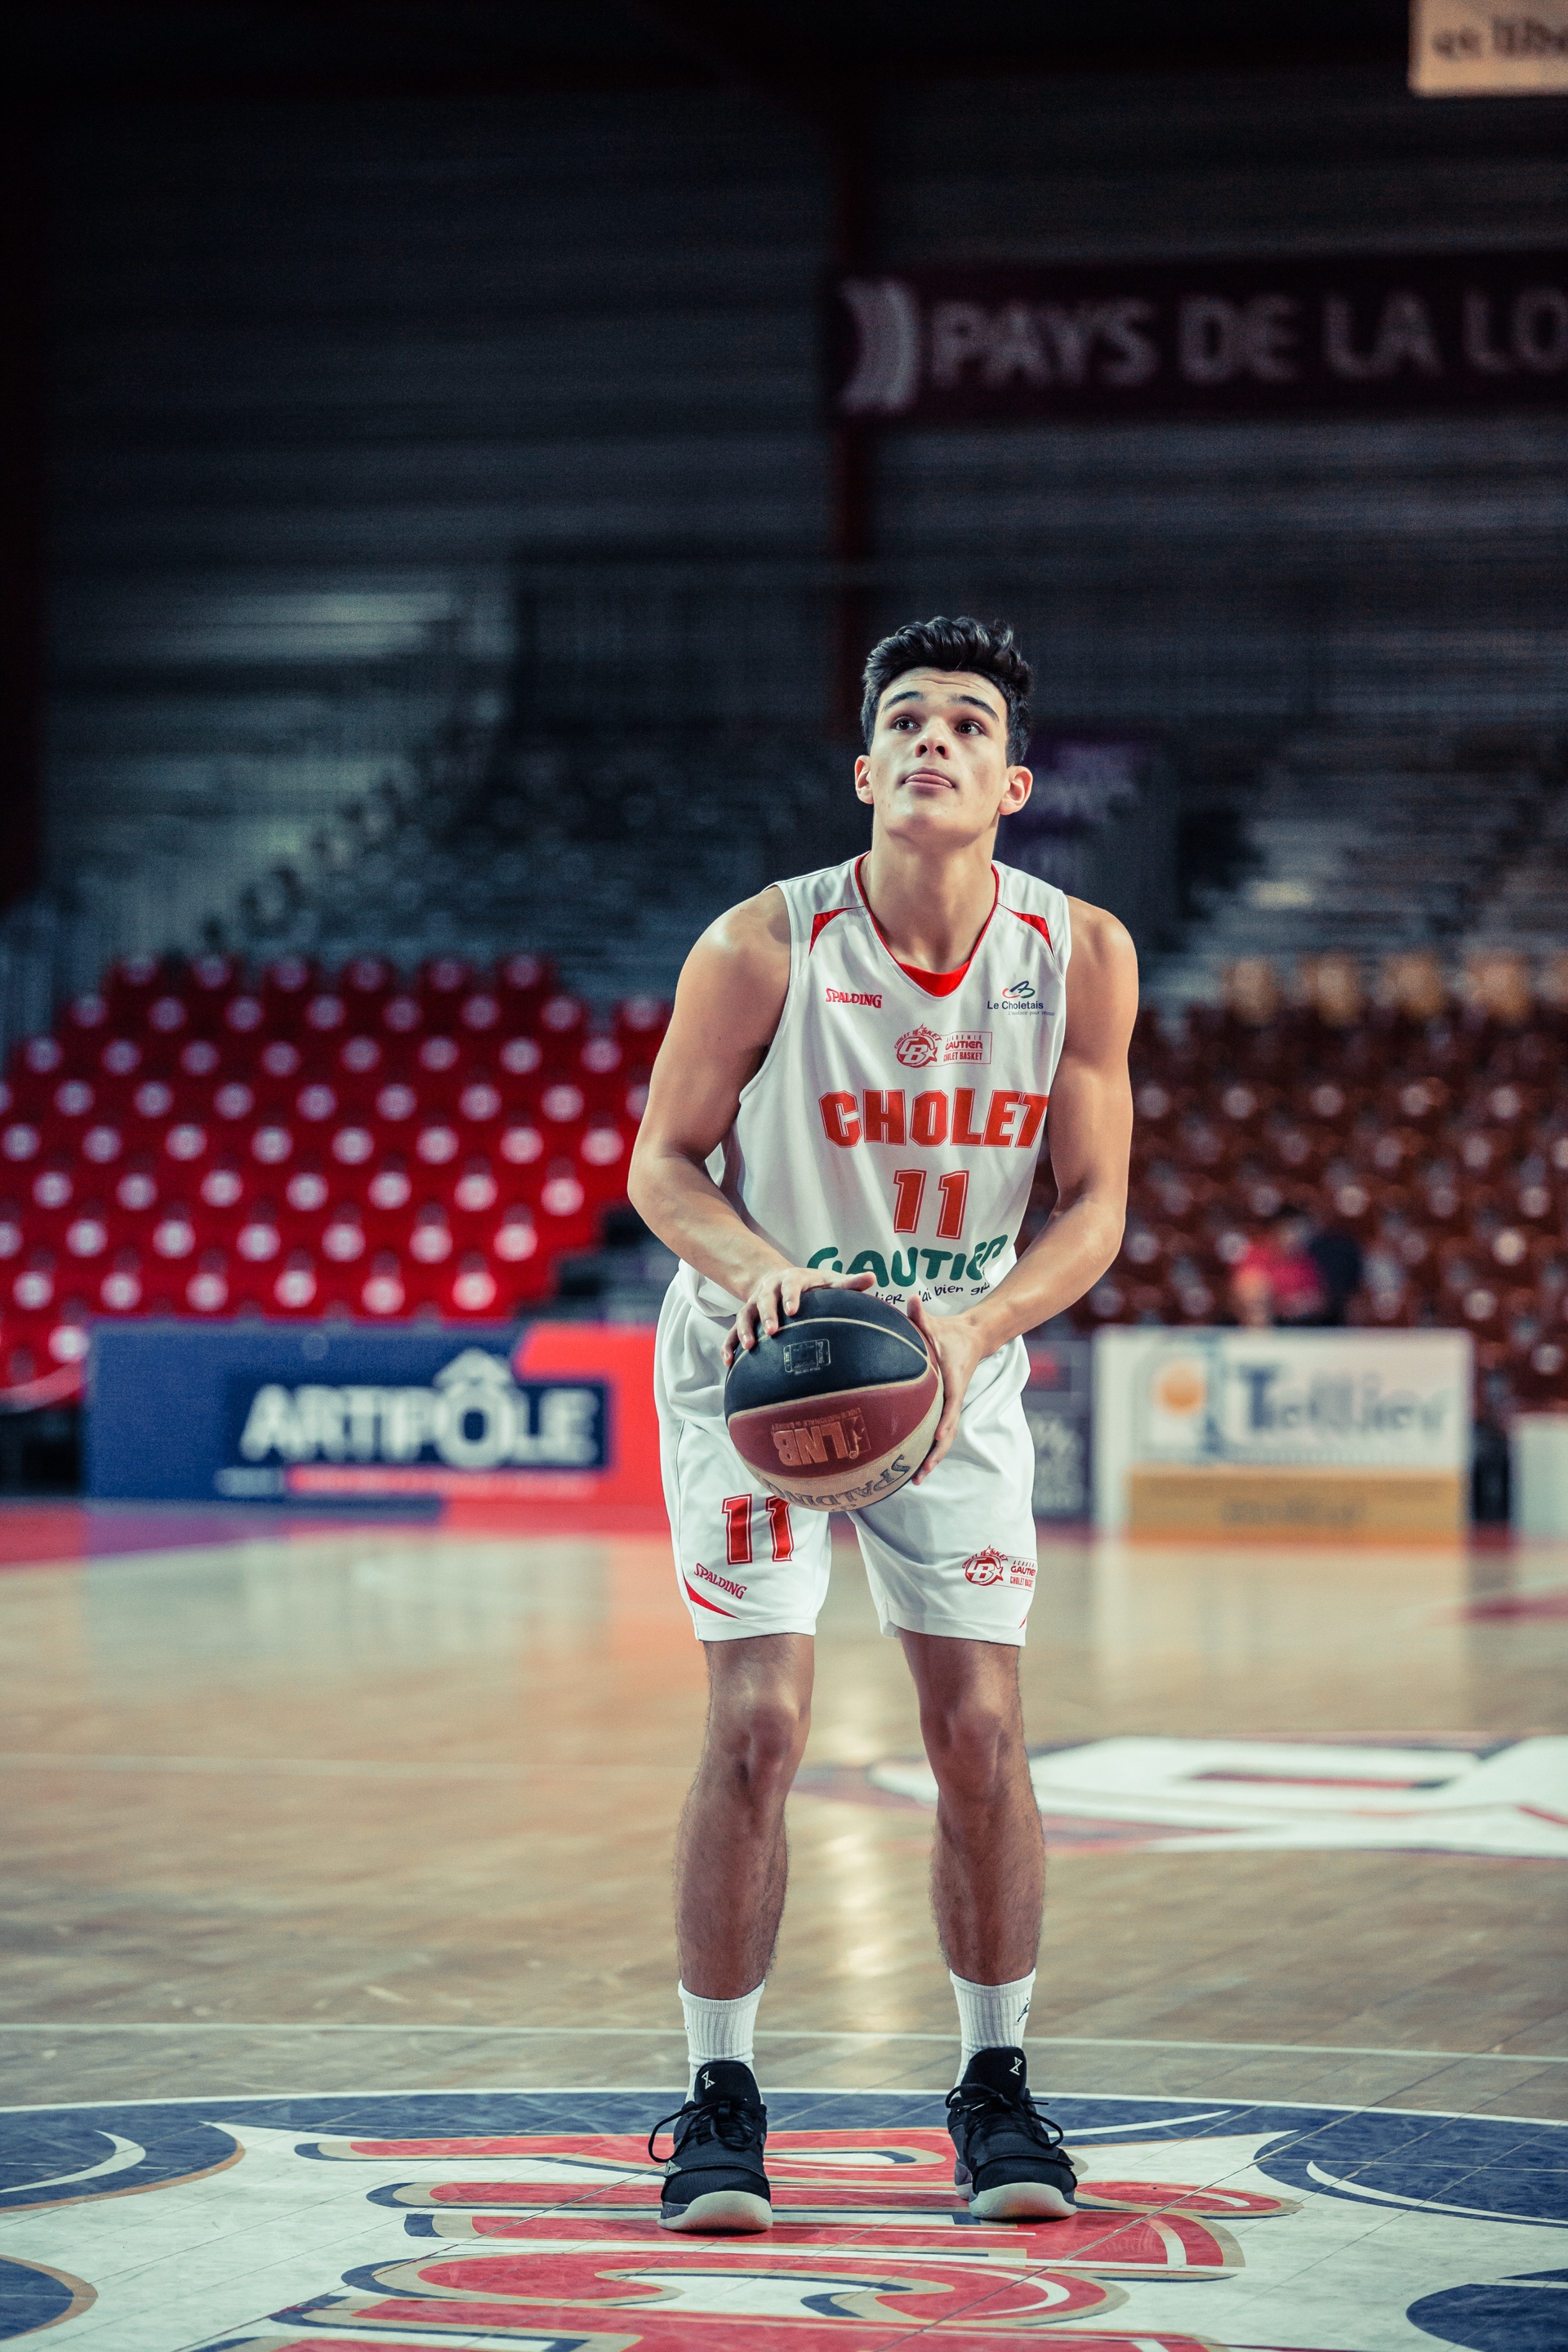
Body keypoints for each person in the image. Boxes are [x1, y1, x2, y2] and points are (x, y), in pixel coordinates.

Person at [627, 615, 1138, 2237]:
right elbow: (662, 1167)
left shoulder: (1082, 956)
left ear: (1013, 781)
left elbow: (1098, 1204)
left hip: (952, 1365)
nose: (933, 740)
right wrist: (769, 1276)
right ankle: (720, 2095)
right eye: (904, 720)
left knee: (980, 1736)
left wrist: (983, 1323)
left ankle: (996, 2083)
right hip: (761, 1367)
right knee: (760, 1729)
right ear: (862, 771)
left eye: (966, 724)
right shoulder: (759, 947)